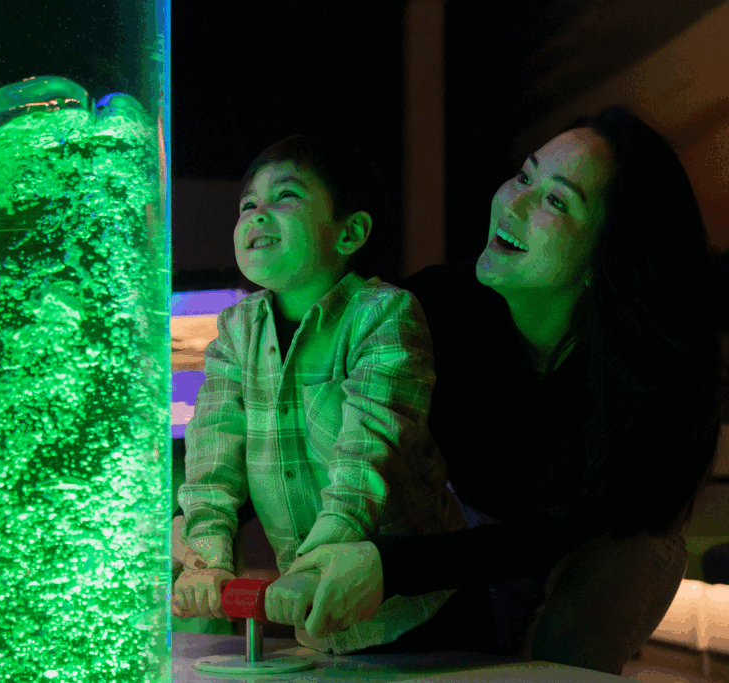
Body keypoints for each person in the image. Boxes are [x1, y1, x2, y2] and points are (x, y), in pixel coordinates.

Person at [281, 107, 723, 674]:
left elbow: (562, 528)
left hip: (597, 538)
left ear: (607, 257)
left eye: (557, 201)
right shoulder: (433, 308)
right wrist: (199, 521)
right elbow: (299, 405)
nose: (512, 203)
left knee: (578, 627)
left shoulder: (650, 382)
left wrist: (388, 566)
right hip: (458, 530)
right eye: (524, 176)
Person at [172, 135, 466, 655]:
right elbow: (212, 461)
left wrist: (319, 560)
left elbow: (367, 457)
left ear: (350, 232)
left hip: (417, 610)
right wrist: (209, 560)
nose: (257, 215)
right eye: (248, 205)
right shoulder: (234, 332)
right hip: (318, 618)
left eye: (284, 198)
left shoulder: (384, 315)